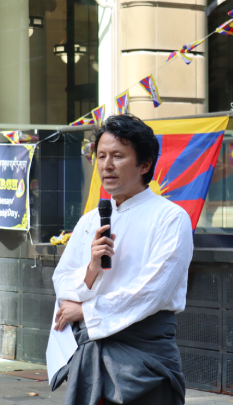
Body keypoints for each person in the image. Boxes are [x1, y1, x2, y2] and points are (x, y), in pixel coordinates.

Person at [47, 114, 193, 405]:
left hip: (144, 355)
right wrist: (91, 270)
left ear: (145, 164)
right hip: (91, 350)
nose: (106, 165)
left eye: (117, 155)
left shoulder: (171, 217)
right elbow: (62, 281)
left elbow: (152, 291)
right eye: (101, 156)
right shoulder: (90, 220)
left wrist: (87, 312)